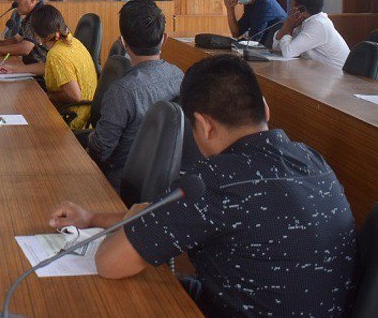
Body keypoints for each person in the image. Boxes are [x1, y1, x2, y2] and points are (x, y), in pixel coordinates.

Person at [49, 55, 357, 316]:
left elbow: (109, 263)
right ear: (265, 108)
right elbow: (165, 215)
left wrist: (138, 221)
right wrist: (92, 218)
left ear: (204, 125)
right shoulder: (312, 159)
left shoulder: (215, 182)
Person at [87, 0, 183, 191]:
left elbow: (101, 150)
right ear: (164, 38)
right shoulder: (179, 76)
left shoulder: (122, 90)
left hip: (116, 183)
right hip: (164, 184)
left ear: (122, 42)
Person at [0, 4, 97, 130]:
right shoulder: (72, 41)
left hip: (72, 118)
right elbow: (50, 67)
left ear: (37, 35)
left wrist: (46, 96)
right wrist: (14, 69)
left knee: (22, 112)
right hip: (86, 114)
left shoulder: (57, 54)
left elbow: (75, 96)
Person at [273, 0, 350, 68]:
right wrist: (286, 27)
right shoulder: (305, 21)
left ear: (301, 9)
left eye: (291, 2)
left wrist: (288, 27)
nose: (290, 6)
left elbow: (288, 52)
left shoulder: (319, 24)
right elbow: (277, 48)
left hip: (337, 73)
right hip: (319, 71)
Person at [223, 0, 287, 48]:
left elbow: (253, 41)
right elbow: (237, 33)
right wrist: (230, 9)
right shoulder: (251, 2)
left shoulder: (264, 4)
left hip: (275, 50)